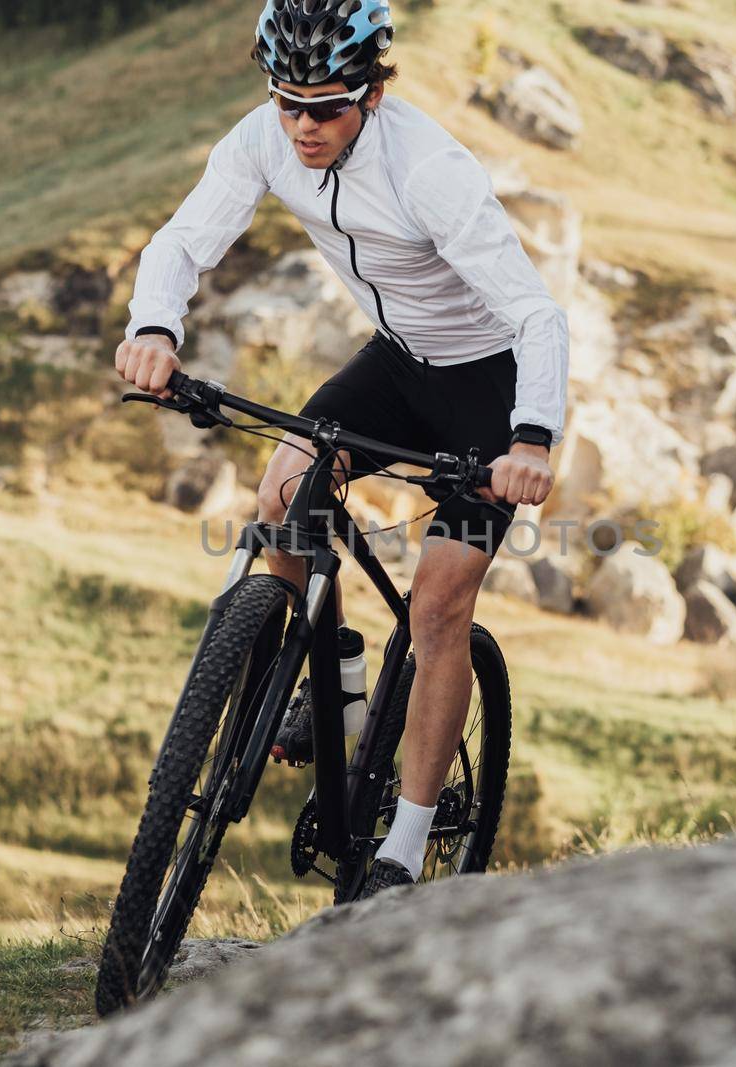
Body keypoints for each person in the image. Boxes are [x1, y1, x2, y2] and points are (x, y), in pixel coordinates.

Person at [113, 0, 569, 900]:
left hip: (491, 386)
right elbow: (183, 240)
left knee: (439, 606)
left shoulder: (429, 168)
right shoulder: (264, 139)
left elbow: (537, 313)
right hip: (398, 366)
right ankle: (322, 695)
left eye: (328, 106)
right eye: (290, 103)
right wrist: (154, 328)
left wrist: (531, 438)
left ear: (374, 90)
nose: (306, 125)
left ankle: (403, 846)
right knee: (283, 496)